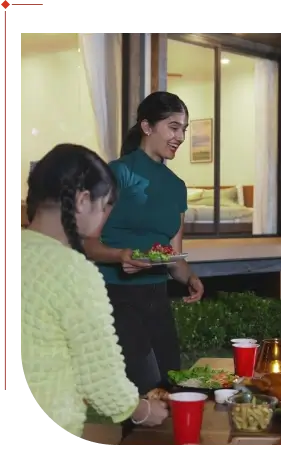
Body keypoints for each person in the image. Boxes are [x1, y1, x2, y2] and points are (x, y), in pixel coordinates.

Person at [19, 144, 169, 440]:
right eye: (105, 206)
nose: (106, 216)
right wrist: (144, 411)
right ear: (83, 200)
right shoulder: (74, 271)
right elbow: (100, 378)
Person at [83, 91, 205, 400]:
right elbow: (86, 243)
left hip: (156, 298)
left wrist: (190, 277)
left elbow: (173, 256)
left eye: (184, 129)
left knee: (171, 386)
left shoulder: (177, 187)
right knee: (143, 390)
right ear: (147, 126)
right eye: (173, 127)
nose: (180, 137)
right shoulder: (117, 173)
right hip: (115, 297)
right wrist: (119, 255)